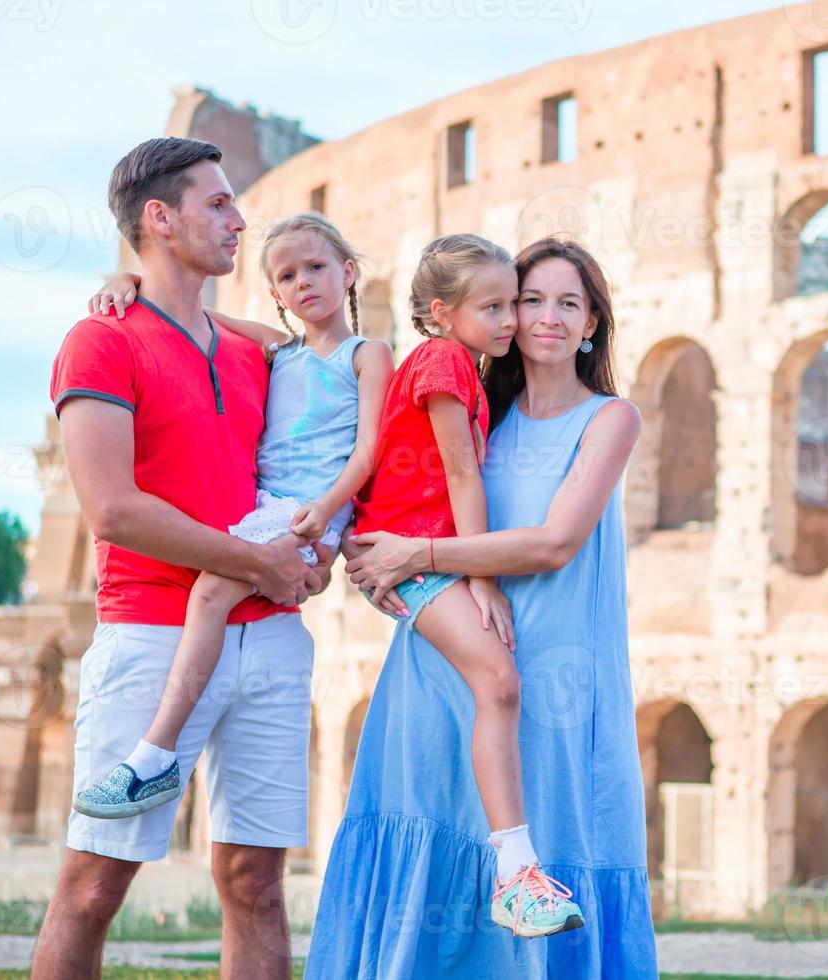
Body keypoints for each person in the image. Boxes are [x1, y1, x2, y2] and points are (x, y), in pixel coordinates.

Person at [306, 236, 658, 978]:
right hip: (444, 669)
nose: (548, 317)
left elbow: (555, 544)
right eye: (531, 301)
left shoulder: (611, 419)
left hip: (555, 674)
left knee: (547, 850)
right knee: (439, 846)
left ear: (593, 322)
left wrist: (417, 556)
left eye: (570, 303)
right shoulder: (473, 407)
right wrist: (137, 289)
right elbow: (318, 352)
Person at [31, 137, 323, 980]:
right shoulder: (98, 342)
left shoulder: (250, 352)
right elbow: (112, 509)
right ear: (158, 218)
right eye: (218, 203)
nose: (238, 219)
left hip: (269, 636)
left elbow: (314, 376)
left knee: (257, 883)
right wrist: (258, 561)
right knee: (92, 886)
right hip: (153, 634)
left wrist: (293, 563)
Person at [72, 213, 393, 820]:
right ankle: (159, 753)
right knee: (213, 596)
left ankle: (155, 754)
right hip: (273, 507)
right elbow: (193, 314)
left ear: (348, 273)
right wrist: (127, 281)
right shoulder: (279, 349)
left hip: (307, 508)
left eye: (317, 268)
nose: (304, 284)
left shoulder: (366, 354)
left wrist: (327, 509)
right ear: (275, 295)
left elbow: (371, 447)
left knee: (210, 595)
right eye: (288, 276)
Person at [349, 232, 587, 938]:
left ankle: (512, 871)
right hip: (417, 559)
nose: (512, 320)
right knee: (500, 683)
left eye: (512, 303)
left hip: (420, 555)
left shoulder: (459, 362)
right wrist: (480, 573)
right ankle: (515, 873)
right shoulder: (447, 362)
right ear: (439, 312)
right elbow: (461, 473)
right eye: (494, 306)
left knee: (495, 688)